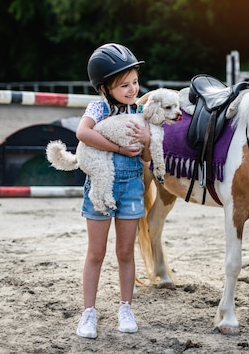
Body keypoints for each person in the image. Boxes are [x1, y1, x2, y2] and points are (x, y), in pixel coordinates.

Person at [74, 43, 151, 339]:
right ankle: (89, 312)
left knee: (125, 252)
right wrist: (118, 148)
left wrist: (145, 139)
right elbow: (82, 133)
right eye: (124, 85)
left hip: (132, 187)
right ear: (105, 88)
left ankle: (125, 307)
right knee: (96, 252)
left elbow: (145, 158)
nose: (132, 89)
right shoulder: (98, 108)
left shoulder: (140, 111)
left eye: (134, 82)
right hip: (101, 186)